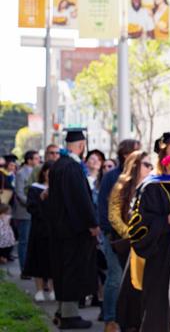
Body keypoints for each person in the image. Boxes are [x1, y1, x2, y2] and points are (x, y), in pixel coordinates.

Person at [127, 132, 170, 332]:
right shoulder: (150, 187)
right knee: (159, 313)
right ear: (163, 153)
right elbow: (137, 230)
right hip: (161, 261)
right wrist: (167, 219)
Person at [47, 128, 99, 329]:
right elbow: (80, 199)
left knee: (62, 269)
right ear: (81, 145)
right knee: (71, 270)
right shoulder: (73, 168)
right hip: (73, 231)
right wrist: (92, 223)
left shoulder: (59, 165)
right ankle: (69, 316)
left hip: (60, 229)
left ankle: (62, 311)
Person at [98, 139, 141, 332]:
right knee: (115, 278)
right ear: (125, 155)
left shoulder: (145, 178)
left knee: (132, 281)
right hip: (115, 237)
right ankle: (110, 319)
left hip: (138, 239)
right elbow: (106, 208)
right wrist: (115, 231)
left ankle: (128, 319)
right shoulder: (112, 177)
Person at [111, 150, 153, 332]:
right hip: (126, 245)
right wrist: (131, 234)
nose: (150, 168)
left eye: (151, 165)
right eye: (146, 164)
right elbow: (113, 215)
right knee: (126, 285)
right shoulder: (122, 185)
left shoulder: (152, 186)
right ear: (135, 165)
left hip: (148, 244)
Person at [24, 161, 55, 302]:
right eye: (47, 171)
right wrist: (41, 199)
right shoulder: (35, 189)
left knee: (53, 260)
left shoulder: (59, 189)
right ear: (43, 172)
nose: (49, 174)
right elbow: (31, 208)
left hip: (55, 230)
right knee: (38, 260)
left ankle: (53, 288)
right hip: (39, 230)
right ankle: (40, 290)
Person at [13, 150, 40, 279]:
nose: (38, 161)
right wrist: (32, 203)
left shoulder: (37, 172)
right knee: (24, 241)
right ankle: (24, 269)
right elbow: (19, 192)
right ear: (29, 160)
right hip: (24, 212)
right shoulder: (21, 173)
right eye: (36, 158)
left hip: (34, 212)